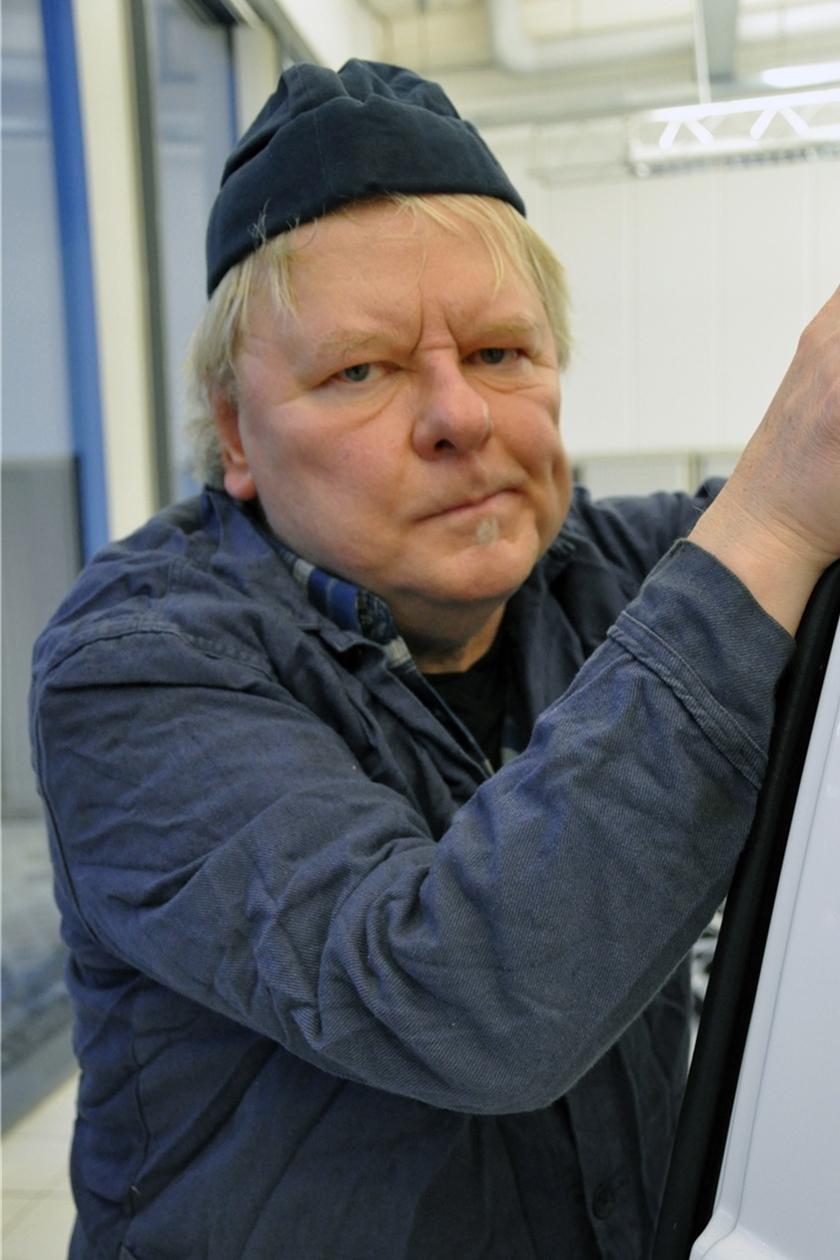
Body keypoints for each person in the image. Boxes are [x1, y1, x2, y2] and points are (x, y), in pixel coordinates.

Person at [31, 60, 840, 1260]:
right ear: (235, 432)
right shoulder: (137, 668)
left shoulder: (622, 575)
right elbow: (465, 998)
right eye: (361, 370)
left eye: (504, 353)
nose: (462, 417)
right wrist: (773, 520)